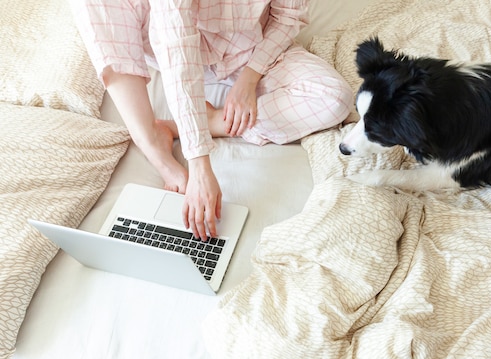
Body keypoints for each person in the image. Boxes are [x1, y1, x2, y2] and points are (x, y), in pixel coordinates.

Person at [70, 0, 352, 240]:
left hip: (252, 50)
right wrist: (199, 166)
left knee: (334, 98)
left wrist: (249, 78)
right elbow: (176, 45)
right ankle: (153, 144)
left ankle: (206, 121)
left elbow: (288, 15)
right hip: (176, 47)